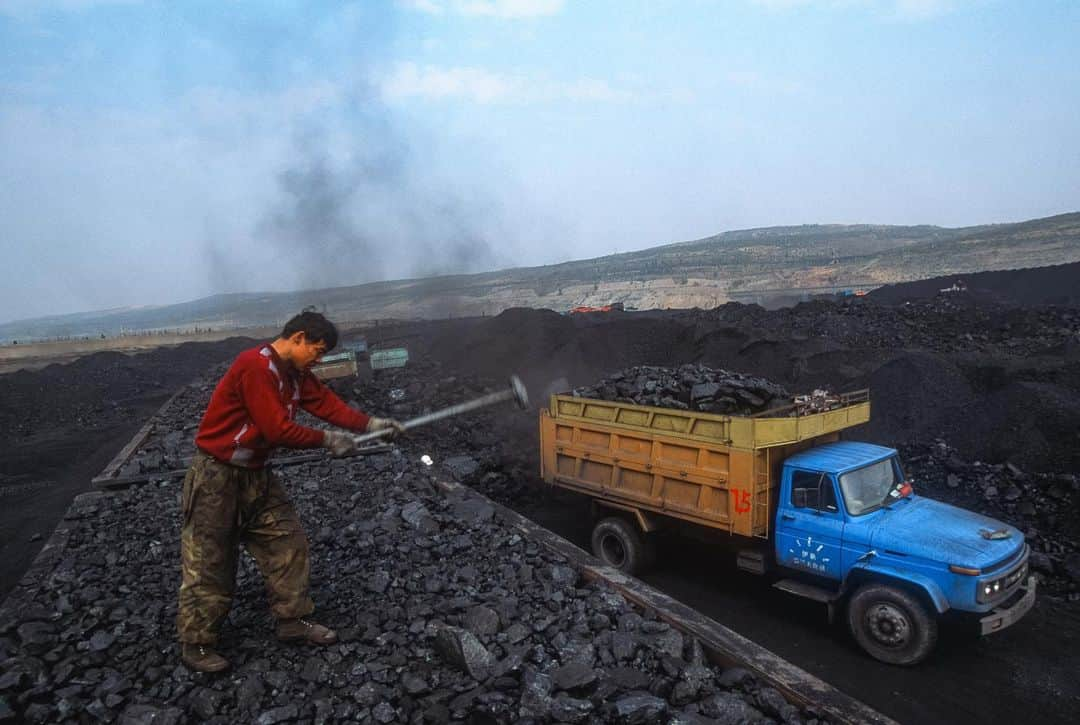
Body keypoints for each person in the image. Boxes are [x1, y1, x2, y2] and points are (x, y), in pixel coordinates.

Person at [177, 309, 405, 673]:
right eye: (316, 350)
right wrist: (328, 440)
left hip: (256, 474)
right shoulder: (256, 366)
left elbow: (326, 404)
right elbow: (277, 429)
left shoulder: (295, 374)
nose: (318, 358)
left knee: (288, 544)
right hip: (216, 477)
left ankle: (292, 620)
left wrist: (370, 424)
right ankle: (197, 643)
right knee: (211, 560)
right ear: (297, 337)